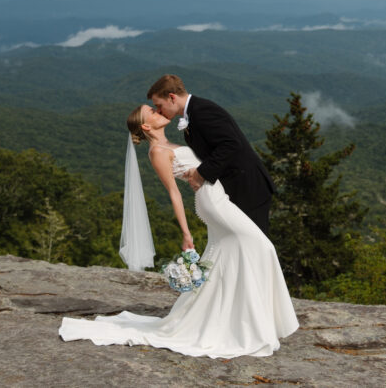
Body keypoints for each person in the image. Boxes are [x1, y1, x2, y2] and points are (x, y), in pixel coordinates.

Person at [58, 104, 298, 358]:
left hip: (220, 197)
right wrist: (186, 233)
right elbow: (174, 193)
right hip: (212, 203)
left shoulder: (171, 143)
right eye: (150, 111)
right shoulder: (157, 152)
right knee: (262, 246)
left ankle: (239, 318)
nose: (156, 110)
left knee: (231, 255)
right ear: (146, 126)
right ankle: (249, 321)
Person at [147, 74, 276, 235]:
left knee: (255, 244)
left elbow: (230, 144)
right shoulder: (193, 113)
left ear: (172, 98)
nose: (159, 111)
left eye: (159, 105)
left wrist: (200, 173)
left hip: (248, 187)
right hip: (235, 187)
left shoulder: (202, 110)